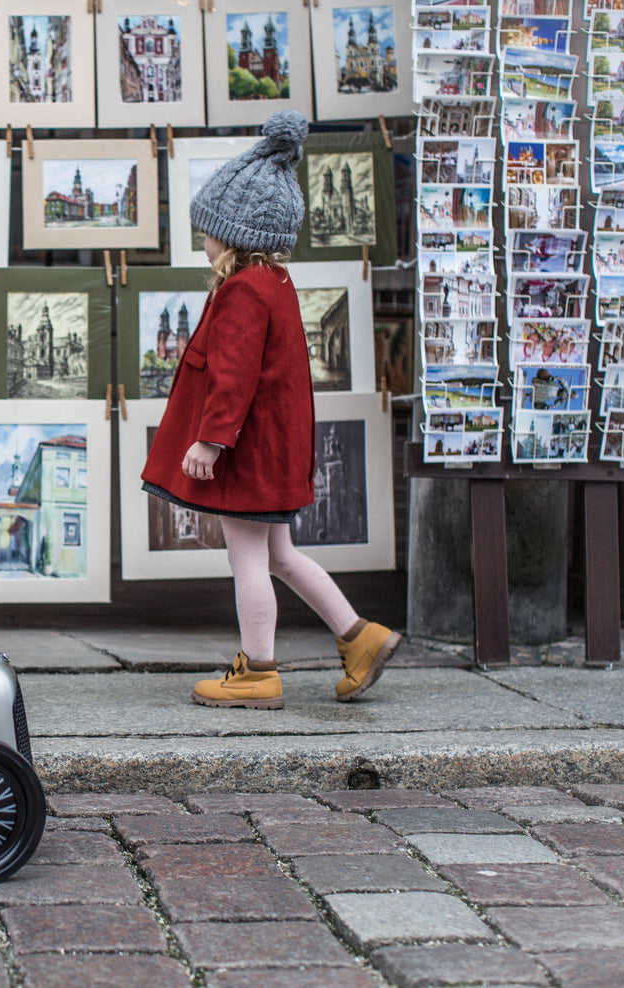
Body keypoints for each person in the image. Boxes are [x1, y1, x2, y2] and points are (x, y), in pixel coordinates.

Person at [140, 110, 401, 710]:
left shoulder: (241, 293)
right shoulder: (275, 284)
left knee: (248, 558)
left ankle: (258, 670)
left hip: (245, 453)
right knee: (281, 554)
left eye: (207, 230)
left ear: (234, 235)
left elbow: (233, 377)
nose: (202, 241)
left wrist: (211, 441)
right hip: (271, 449)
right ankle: (361, 637)